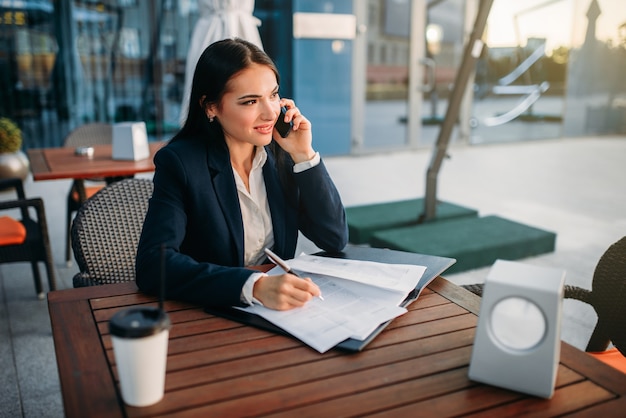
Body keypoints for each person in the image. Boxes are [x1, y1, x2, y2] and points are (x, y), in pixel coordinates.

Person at [136, 38, 348, 311]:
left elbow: (334, 238)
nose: (270, 113)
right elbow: (153, 265)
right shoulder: (180, 163)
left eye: (273, 95)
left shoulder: (281, 154)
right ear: (211, 106)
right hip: (212, 312)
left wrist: (303, 155)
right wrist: (253, 286)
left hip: (280, 313)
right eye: (250, 102)